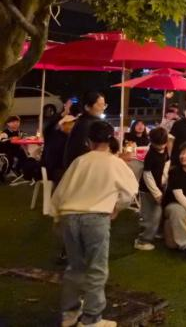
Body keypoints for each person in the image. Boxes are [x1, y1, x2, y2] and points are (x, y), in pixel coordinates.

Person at [51, 120, 138, 327]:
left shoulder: (79, 161)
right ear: (111, 140)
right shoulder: (115, 163)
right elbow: (130, 191)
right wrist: (117, 207)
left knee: (75, 267)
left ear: (88, 141)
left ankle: (70, 313)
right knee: (97, 269)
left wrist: (56, 217)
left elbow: (60, 192)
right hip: (96, 217)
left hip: (69, 216)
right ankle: (91, 319)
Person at [134, 127, 170, 251]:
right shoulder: (151, 155)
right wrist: (157, 193)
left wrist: (164, 181)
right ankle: (142, 241)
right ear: (152, 142)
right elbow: (147, 175)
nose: (161, 147)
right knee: (150, 215)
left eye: (163, 144)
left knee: (157, 213)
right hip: (147, 190)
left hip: (158, 188)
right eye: (158, 145)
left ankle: (155, 233)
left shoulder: (165, 149)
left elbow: (166, 164)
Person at [63, 91, 107, 170]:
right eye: (99, 105)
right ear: (87, 107)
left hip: (77, 167)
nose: (103, 108)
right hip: (82, 169)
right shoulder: (89, 125)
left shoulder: (82, 121)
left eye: (104, 105)